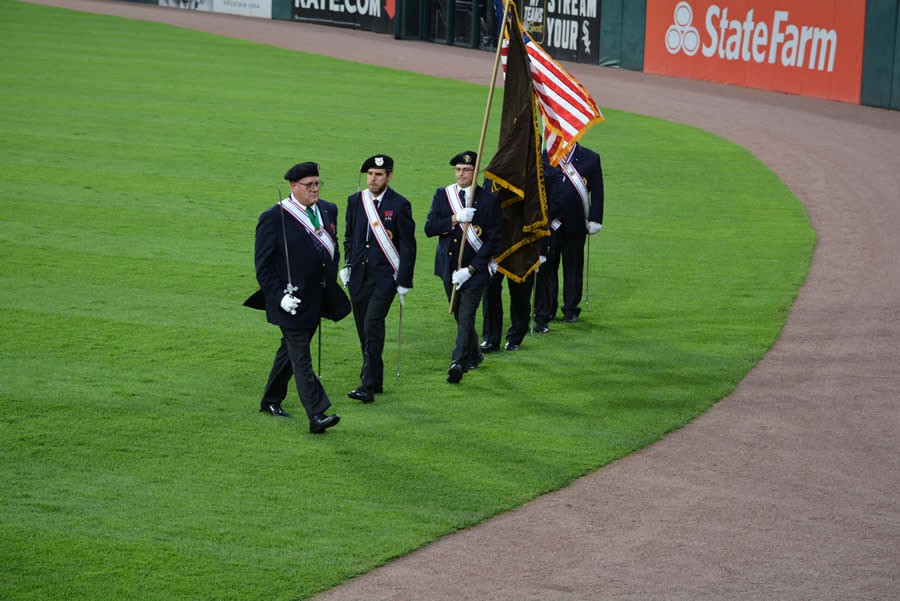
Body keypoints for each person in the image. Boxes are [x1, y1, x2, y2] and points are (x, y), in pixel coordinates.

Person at [247, 162, 347, 434]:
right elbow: (263, 266)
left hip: (318, 298)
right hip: (289, 302)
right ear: (293, 187)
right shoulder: (273, 217)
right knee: (301, 355)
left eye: (317, 184)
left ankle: (270, 400)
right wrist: (279, 297)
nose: (314, 189)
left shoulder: (328, 210)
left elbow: (332, 249)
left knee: (289, 352)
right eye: (309, 185)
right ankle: (317, 414)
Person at [341, 154, 417, 403]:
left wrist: (404, 280)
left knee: (372, 325)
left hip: (385, 279)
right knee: (364, 330)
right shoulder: (355, 201)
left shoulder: (400, 204)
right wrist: (347, 264)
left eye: (379, 175)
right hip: (358, 278)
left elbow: (407, 245)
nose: (373, 179)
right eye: (370, 174)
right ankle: (376, 379)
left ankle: (367, 386)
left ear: (390, 176)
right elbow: (349, 236)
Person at [425, 150, 502, 383]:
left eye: (466, 170)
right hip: (448, 267)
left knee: (467, 315)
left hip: (475, 271)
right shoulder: (443, 195)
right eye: (458, 170)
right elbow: (430, 228)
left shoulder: (488, 200)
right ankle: (475, 354)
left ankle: (458, 362)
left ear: (475, 172)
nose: (461, 174)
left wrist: (470, 270)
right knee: (459, 314)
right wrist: (455, 219)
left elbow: (493, 239)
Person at [533, 142, 604, 330]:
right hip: (550, 223)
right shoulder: (544, 157)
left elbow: (597, 191)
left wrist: (595, 219)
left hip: (576, 222)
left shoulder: (591, 158)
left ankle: (571, 308)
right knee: (548, 266)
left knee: (573, 266)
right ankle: (548, 308)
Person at [480, 270, 535, 352]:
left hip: (520, 258)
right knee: (490, 287)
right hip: (495, 258)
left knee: (520, 289)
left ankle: (516, 336)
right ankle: (491, 338)